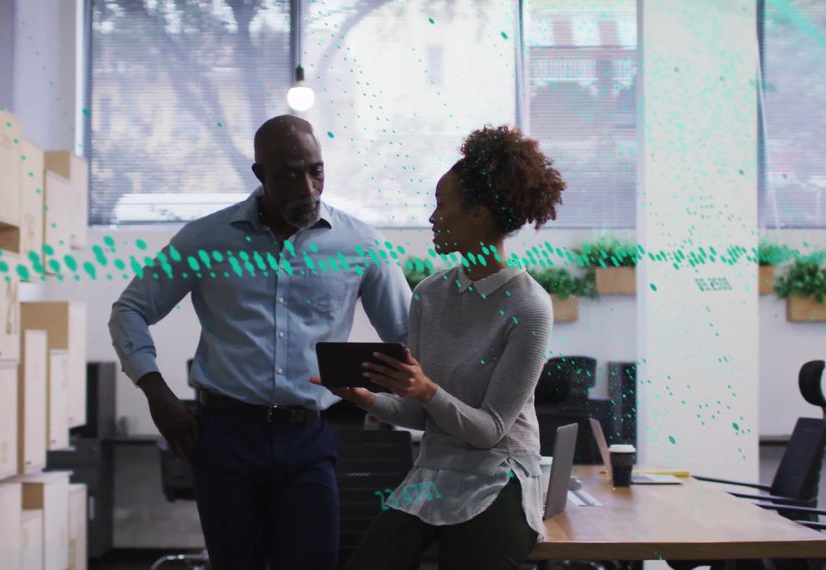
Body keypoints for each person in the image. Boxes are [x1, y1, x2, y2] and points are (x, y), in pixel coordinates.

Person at [108, 115, 411, 570]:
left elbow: (409, 335)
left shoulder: (362, 244)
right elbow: (129, 310)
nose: (309, 188)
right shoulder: (206, 239)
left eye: (317, 171)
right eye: (290, 174)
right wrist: (156, 391)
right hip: (227, 435)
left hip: (309, 436)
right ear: (260, 175)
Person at [312, 125, 565, 569]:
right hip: (434, 472)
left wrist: (425, 389)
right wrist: (369, 398)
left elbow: (489, 431)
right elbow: (423, 416)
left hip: (498, 474)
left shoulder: (529, 306)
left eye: (441, 204)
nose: (432, 217)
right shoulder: (429, 294)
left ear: (478, 216)